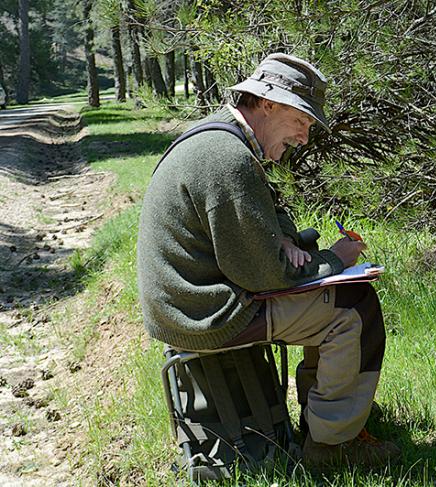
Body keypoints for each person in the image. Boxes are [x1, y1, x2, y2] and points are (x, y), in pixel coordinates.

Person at [136, 53, 400, 467]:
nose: (304, 137)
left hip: (189, 305)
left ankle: (327, 421)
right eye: (301, 121)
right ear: (267, 104)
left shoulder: (218, 140)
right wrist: (336, 258)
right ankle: (332, 448)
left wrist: (286, 239)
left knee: (341, 300)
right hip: (206, 315)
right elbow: (265, 275)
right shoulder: (229, 159)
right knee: (354, 306)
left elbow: (265, 218)